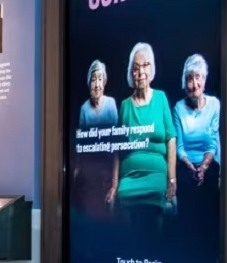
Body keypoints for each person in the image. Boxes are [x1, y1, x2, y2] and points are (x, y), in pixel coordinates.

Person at [107, 43, 176, 234]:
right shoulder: (124, 106)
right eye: (135, 68)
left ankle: (155, 257)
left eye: (145, 65)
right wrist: (114, 184)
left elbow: (171, 139)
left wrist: (172, 179)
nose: (140, 72)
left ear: (151, 69)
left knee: (156, 220)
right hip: (129, 177)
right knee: (125, 220)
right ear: (131, 73)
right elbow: (117, 149)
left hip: (156, 175)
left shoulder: (161, 98)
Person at [173, 54, 220, 221]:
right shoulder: (178, 107)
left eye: (197, 77)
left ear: (204, 80)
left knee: (212, 176)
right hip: (186, 165)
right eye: (189, 79)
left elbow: (212, 144)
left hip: (208, 163)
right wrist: (192, 168)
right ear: (185, 84)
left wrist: (204, 167)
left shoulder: (214, 104)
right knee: (186, 184)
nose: (194, 84)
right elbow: (179, 148)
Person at [74, 60, 118, 218]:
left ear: (104, 82)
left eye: (100, 79)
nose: (97, 84)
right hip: (90, 173)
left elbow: (116, 148)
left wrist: (114, 184)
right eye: (94, 79)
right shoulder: (84, 109)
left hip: (107, 173)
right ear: (89, 83)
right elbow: (81, 146)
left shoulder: (111, 104)